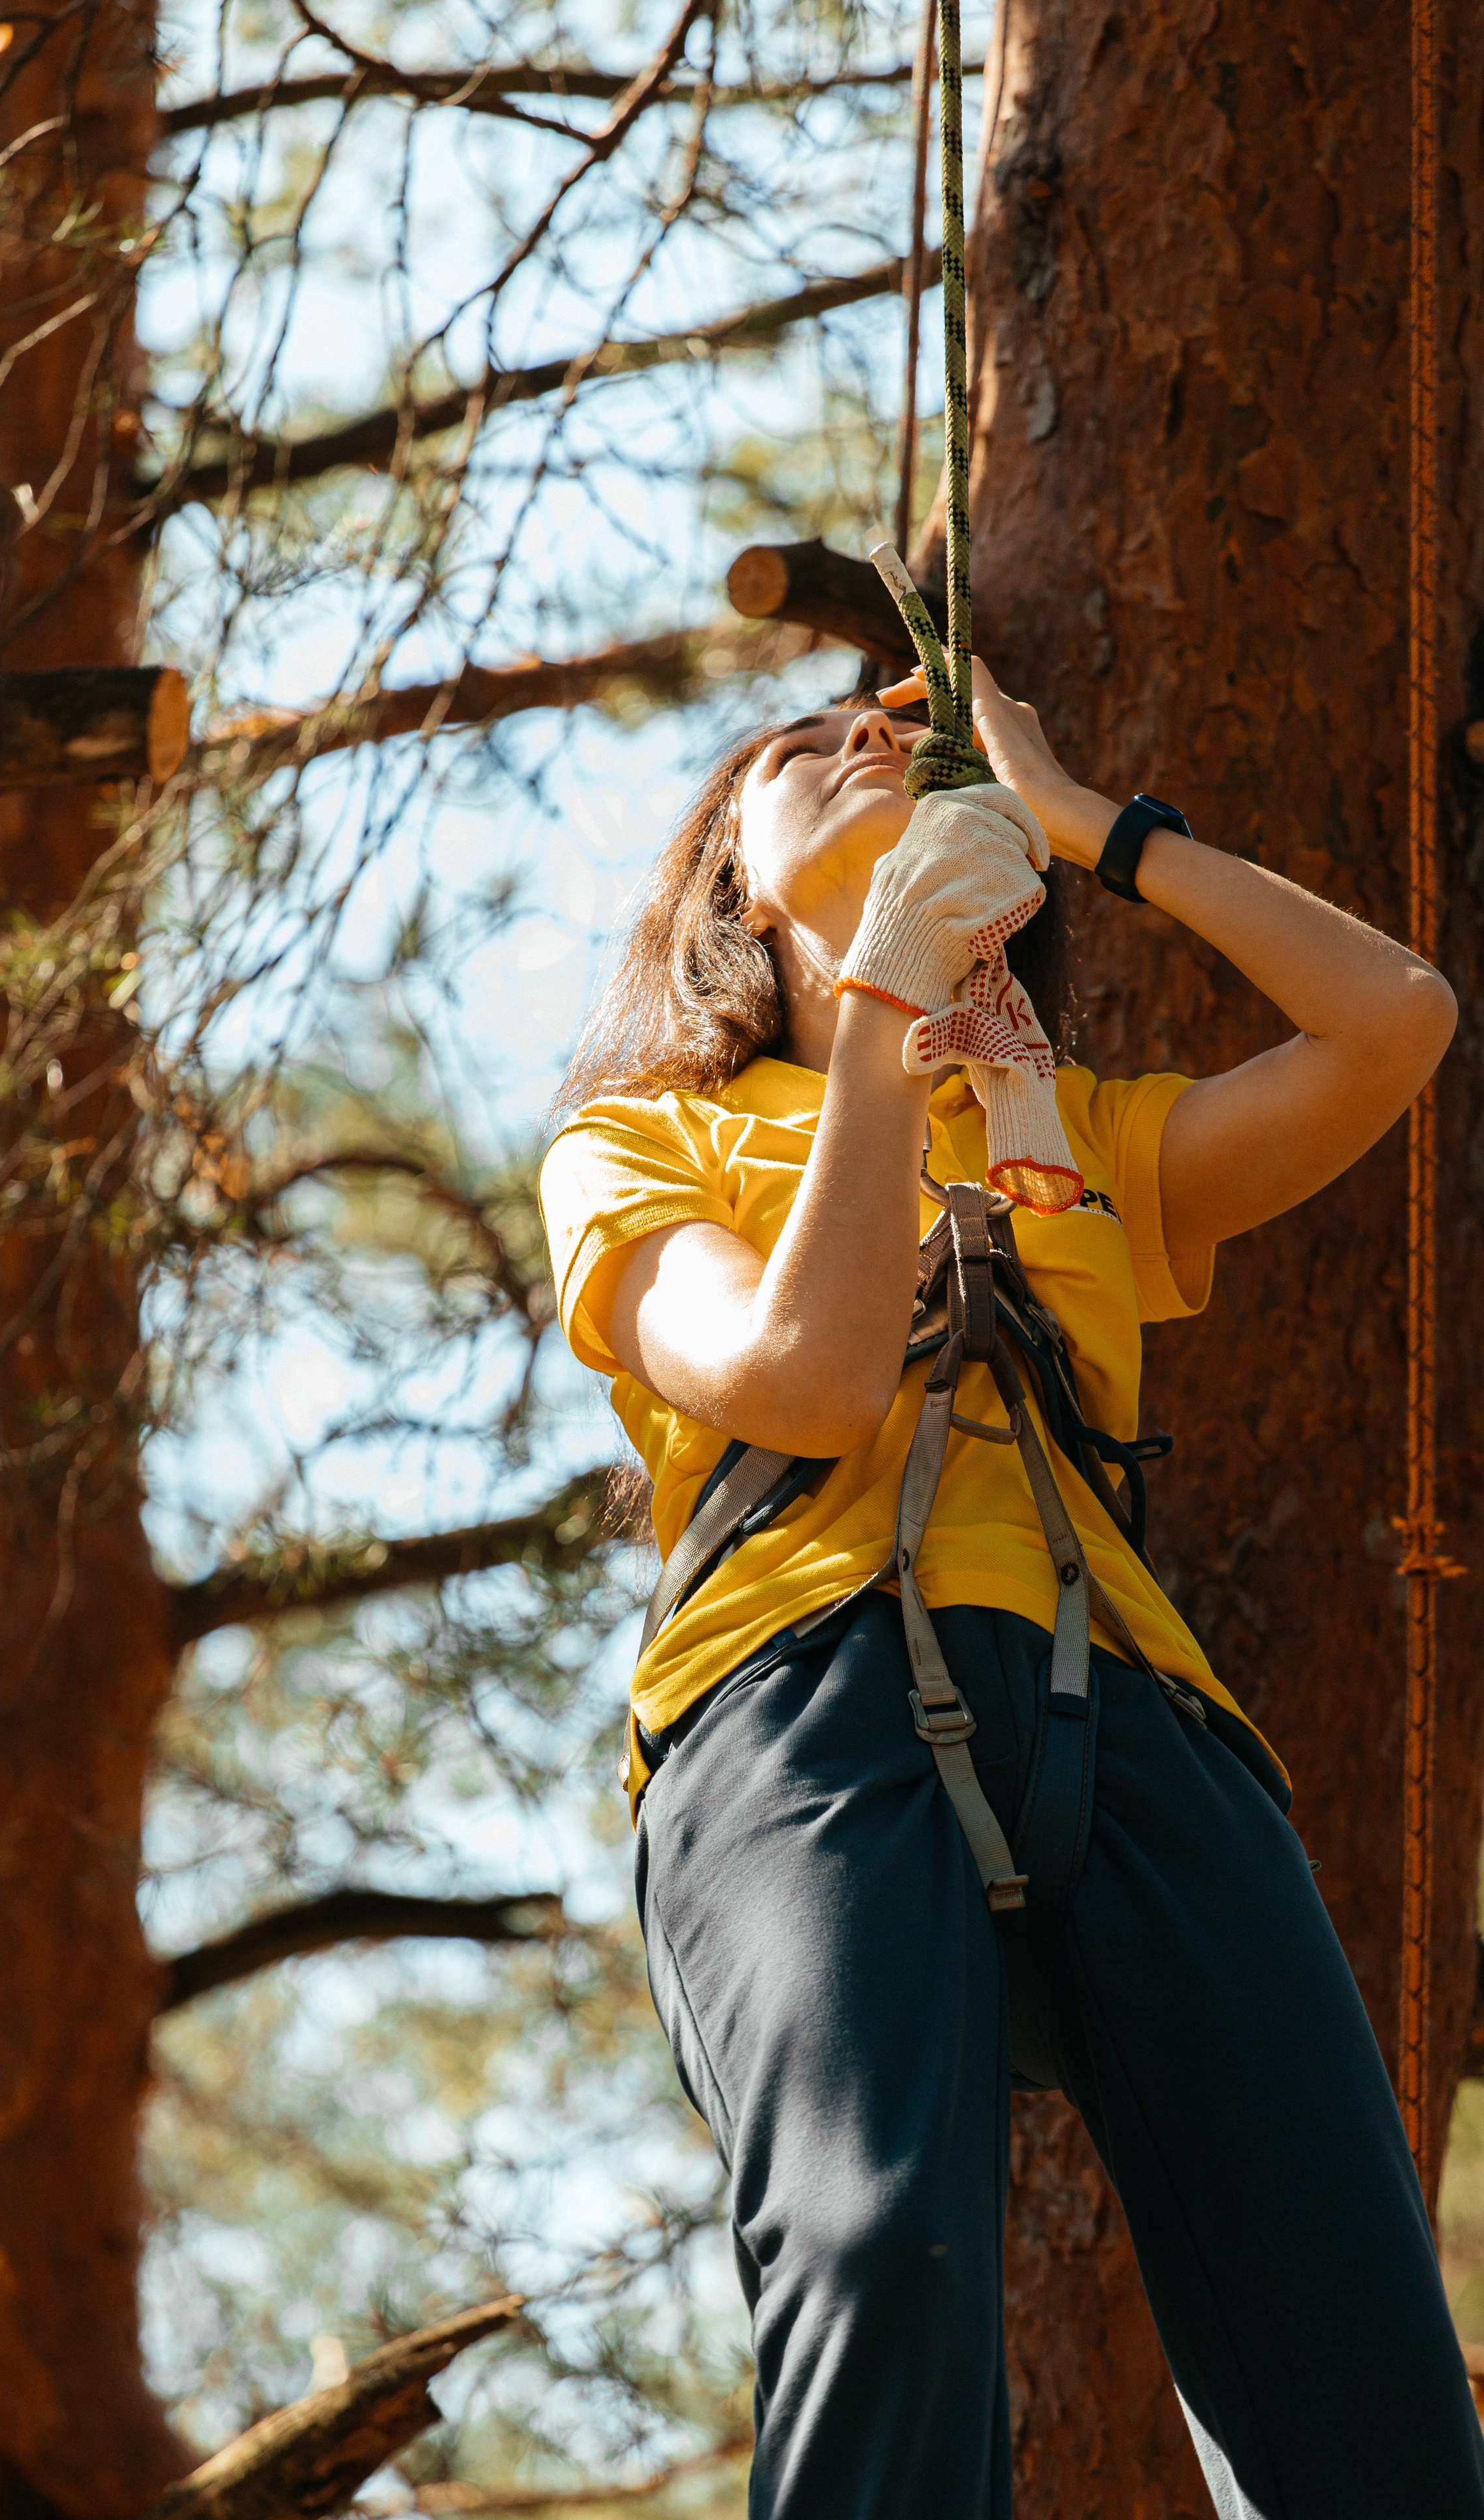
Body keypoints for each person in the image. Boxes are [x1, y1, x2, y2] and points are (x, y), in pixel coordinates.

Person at [537, 662, 1481, 2520]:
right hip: (797, 1697)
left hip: (1124, 1696)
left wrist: (1088, 826)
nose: (862, 741)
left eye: (893, 736)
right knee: (879, 2250)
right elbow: (806, 1384)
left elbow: (1397, 1022)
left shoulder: (1073, 1138)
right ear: (731, 880)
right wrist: (890, 999)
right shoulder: (640, 1143)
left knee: (1363, 2345)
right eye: (802, 749)